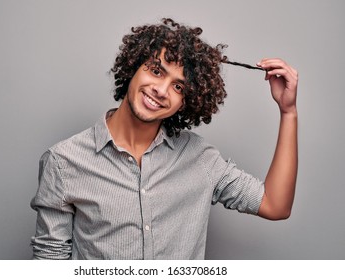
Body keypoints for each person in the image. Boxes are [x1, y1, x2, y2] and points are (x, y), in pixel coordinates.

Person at [30, 18, 298, 260]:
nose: (160, 90)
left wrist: (288, 112)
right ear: (134, 68)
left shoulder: (200, 158)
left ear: (186, 102)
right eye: (156, 71)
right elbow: (49, 263)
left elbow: (275, 205)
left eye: (178, 86)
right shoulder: (64, 162)